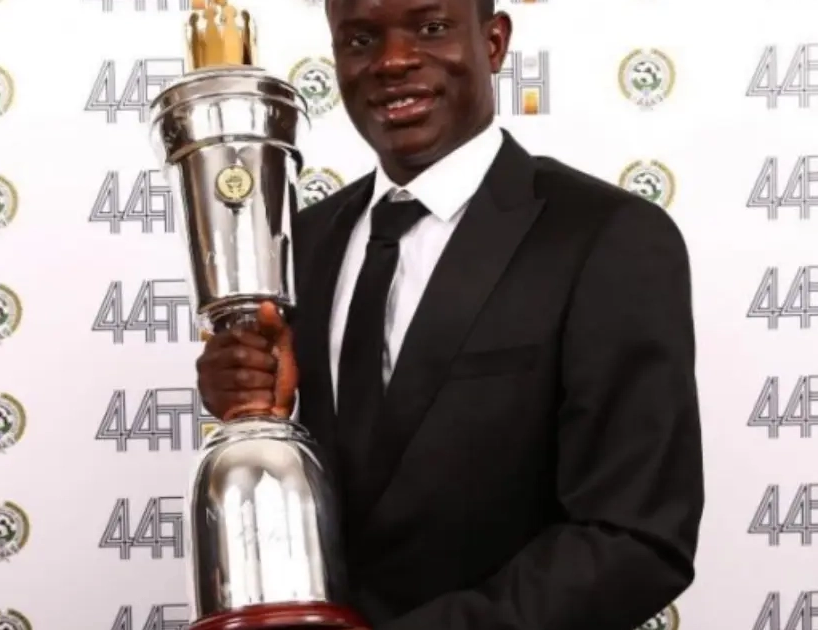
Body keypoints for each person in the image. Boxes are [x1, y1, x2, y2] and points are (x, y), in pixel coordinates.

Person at [196, 0, 705, 628]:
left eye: (431, 28)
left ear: (493, 42)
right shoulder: (300, 245)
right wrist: (253, 410)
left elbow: (635, 538)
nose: (392, 62)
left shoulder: (605, 238)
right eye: (360, 39)